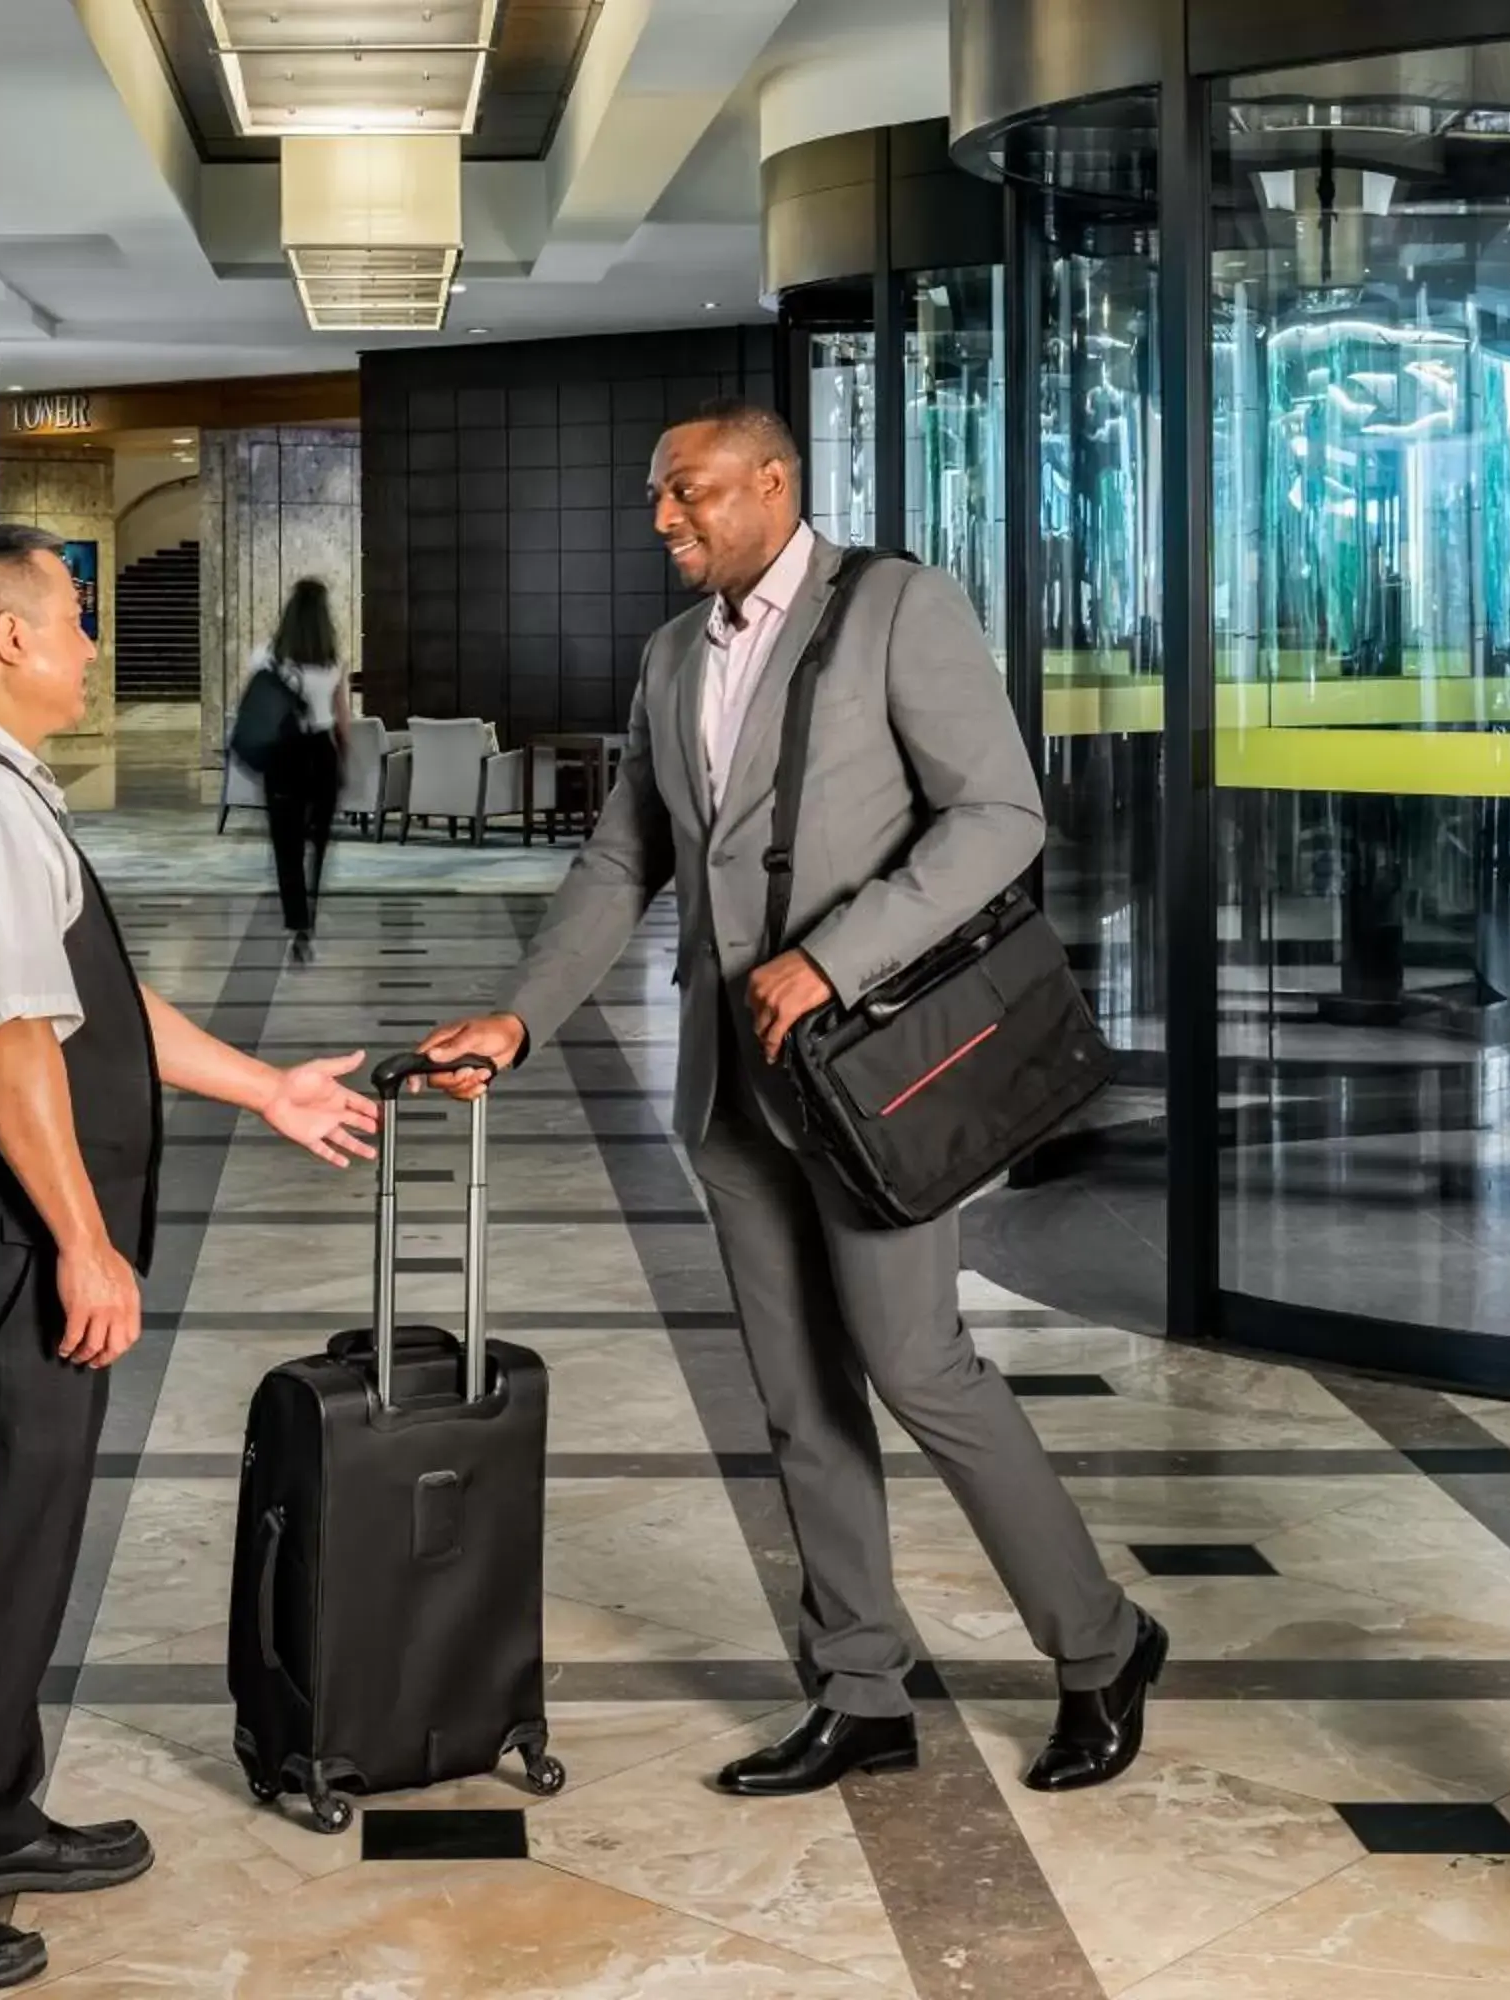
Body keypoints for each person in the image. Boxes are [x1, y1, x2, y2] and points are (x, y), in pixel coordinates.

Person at [416, 401, 1167, 1800]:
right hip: (734, 1086)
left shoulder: (896, 605)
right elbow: (618, 861)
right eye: (657, 494)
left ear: (773, 483)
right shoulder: (666, 656)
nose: (663, 517)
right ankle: (862, 1687)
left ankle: (1103, 1641)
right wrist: (523, 1017)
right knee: (797, 1398)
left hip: (875, 1078)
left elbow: (1001, 817)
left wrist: (833, 953)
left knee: (916, 1363)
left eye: (686, 490)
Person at [0, 522, 380, 1992]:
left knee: (23, 1539)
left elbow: (95, 1009)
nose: (90, 643)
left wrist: (267, 1088)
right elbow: (10, 1057)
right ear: (5, 640)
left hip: (0, 1238)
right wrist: (83, 1244)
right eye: (72, 616)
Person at [250, 577, 351, 957]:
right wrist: (345, 758)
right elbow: (343, 718)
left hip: (282, 755)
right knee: (317, 842)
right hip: (321, 753)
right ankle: (311, 906)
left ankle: (297, 922)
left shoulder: (265, 657)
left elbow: (259, 707)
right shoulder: (335, 661)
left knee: (286, 844)